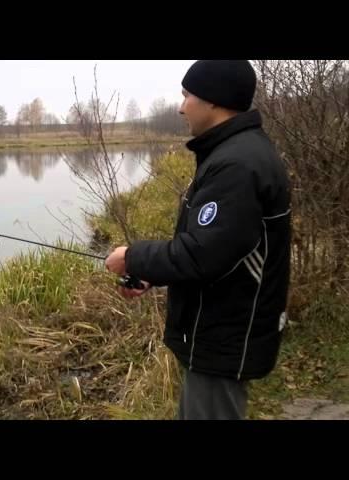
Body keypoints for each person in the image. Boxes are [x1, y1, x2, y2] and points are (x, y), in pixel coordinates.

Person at [105, 60, 291, 420]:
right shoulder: (234, 153)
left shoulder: (237, 164)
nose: (180, 106)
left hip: (224, 332)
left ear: (214, 100)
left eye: (187, 94)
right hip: (220, 328)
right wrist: (152, 274)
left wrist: (133, 258)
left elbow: (202, 254)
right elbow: (217, 245)